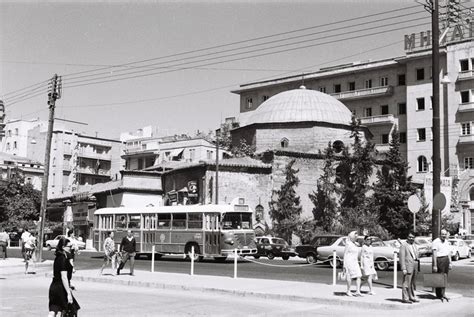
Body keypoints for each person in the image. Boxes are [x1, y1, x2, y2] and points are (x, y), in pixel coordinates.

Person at [48, 237, 80, 317]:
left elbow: (58, 275)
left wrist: (70, 284)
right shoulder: (63, 259)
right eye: (69, 246)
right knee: (71, 310)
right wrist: (68, 293)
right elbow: (63, 277)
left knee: (54, 310)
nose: (71, 248)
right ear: (63, 247)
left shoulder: (58, 257)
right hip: (61, 288)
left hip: (54, 287)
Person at [432, 229, 452, 302]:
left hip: (446, 259)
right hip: (439, 260)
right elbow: (434, 254)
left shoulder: (446, 242)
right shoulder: (435, 242)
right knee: (440, 277)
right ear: (439, 234)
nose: (444, 235)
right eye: (442, 234)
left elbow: (448, 252)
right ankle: (439, 294)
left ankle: (443, 294)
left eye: (445, 234)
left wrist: (450, 262)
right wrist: (435, 265)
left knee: (445, 277)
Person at [400, 232, 419, 304]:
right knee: (406, 283)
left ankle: (412, 297)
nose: (411, 238)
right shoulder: (403, 245)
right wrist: (403, 268)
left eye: (412, 237)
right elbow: (402, 257)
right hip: (408, 266)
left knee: (411, 283)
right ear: (407, 237)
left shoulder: (414, 245)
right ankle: (405, 298)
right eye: (410, 237)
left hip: (414, 265)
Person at [343, 231, 362, 297]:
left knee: (359, 275)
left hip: (355, 262)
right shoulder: (348, 244)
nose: (356, 237)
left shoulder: (355, 244)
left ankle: (358, 291)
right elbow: (345, 254)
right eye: (355, 236)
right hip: (349, 262)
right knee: (350, 276)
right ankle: (348, 290)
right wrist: (344, 265)